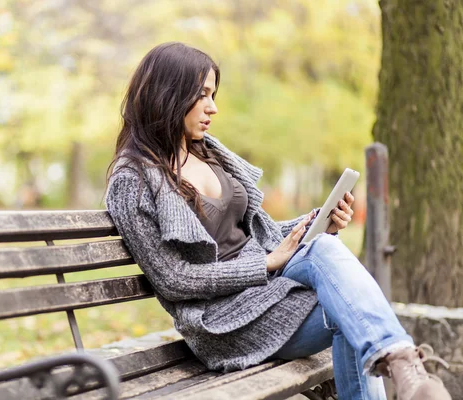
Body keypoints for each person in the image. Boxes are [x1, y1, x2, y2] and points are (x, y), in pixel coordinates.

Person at [104, 42, 451, 400]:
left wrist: (318, 222)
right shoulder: (133, 180)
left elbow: (263, 234)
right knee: (350, 312)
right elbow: (174, 279)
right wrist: (266, 263)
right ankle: (405, 367)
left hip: (268, 293)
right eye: (203, 94)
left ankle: (400, 362)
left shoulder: (207, 151)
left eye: (214, 94)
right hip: (225, 323)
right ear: (168, 94)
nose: (214, 107)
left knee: (329, 257)